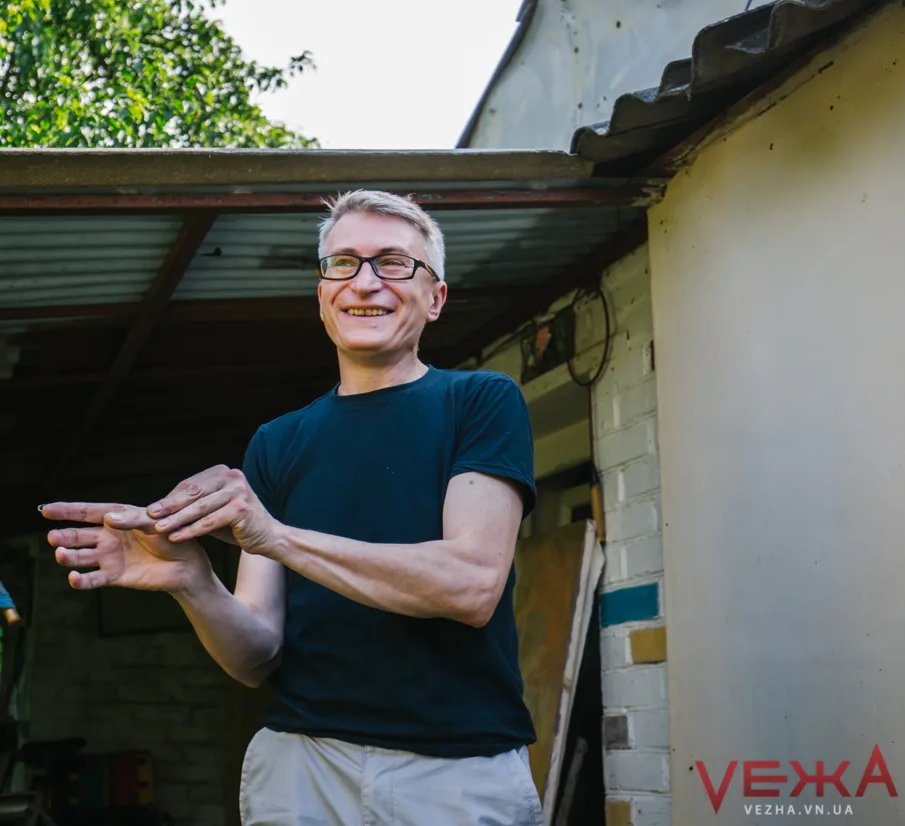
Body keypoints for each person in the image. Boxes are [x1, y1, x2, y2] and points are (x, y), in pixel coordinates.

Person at [42, 190, 543, 826]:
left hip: (454, 773)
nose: (365, 282)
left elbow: (471, 586)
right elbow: (256, 658)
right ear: (323, 293)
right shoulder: (278, 442)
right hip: (303, 765)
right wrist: (193, 582)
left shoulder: (479, 402)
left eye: (393, 263)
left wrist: (274, 536)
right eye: (343, 263)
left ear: (436, 297)